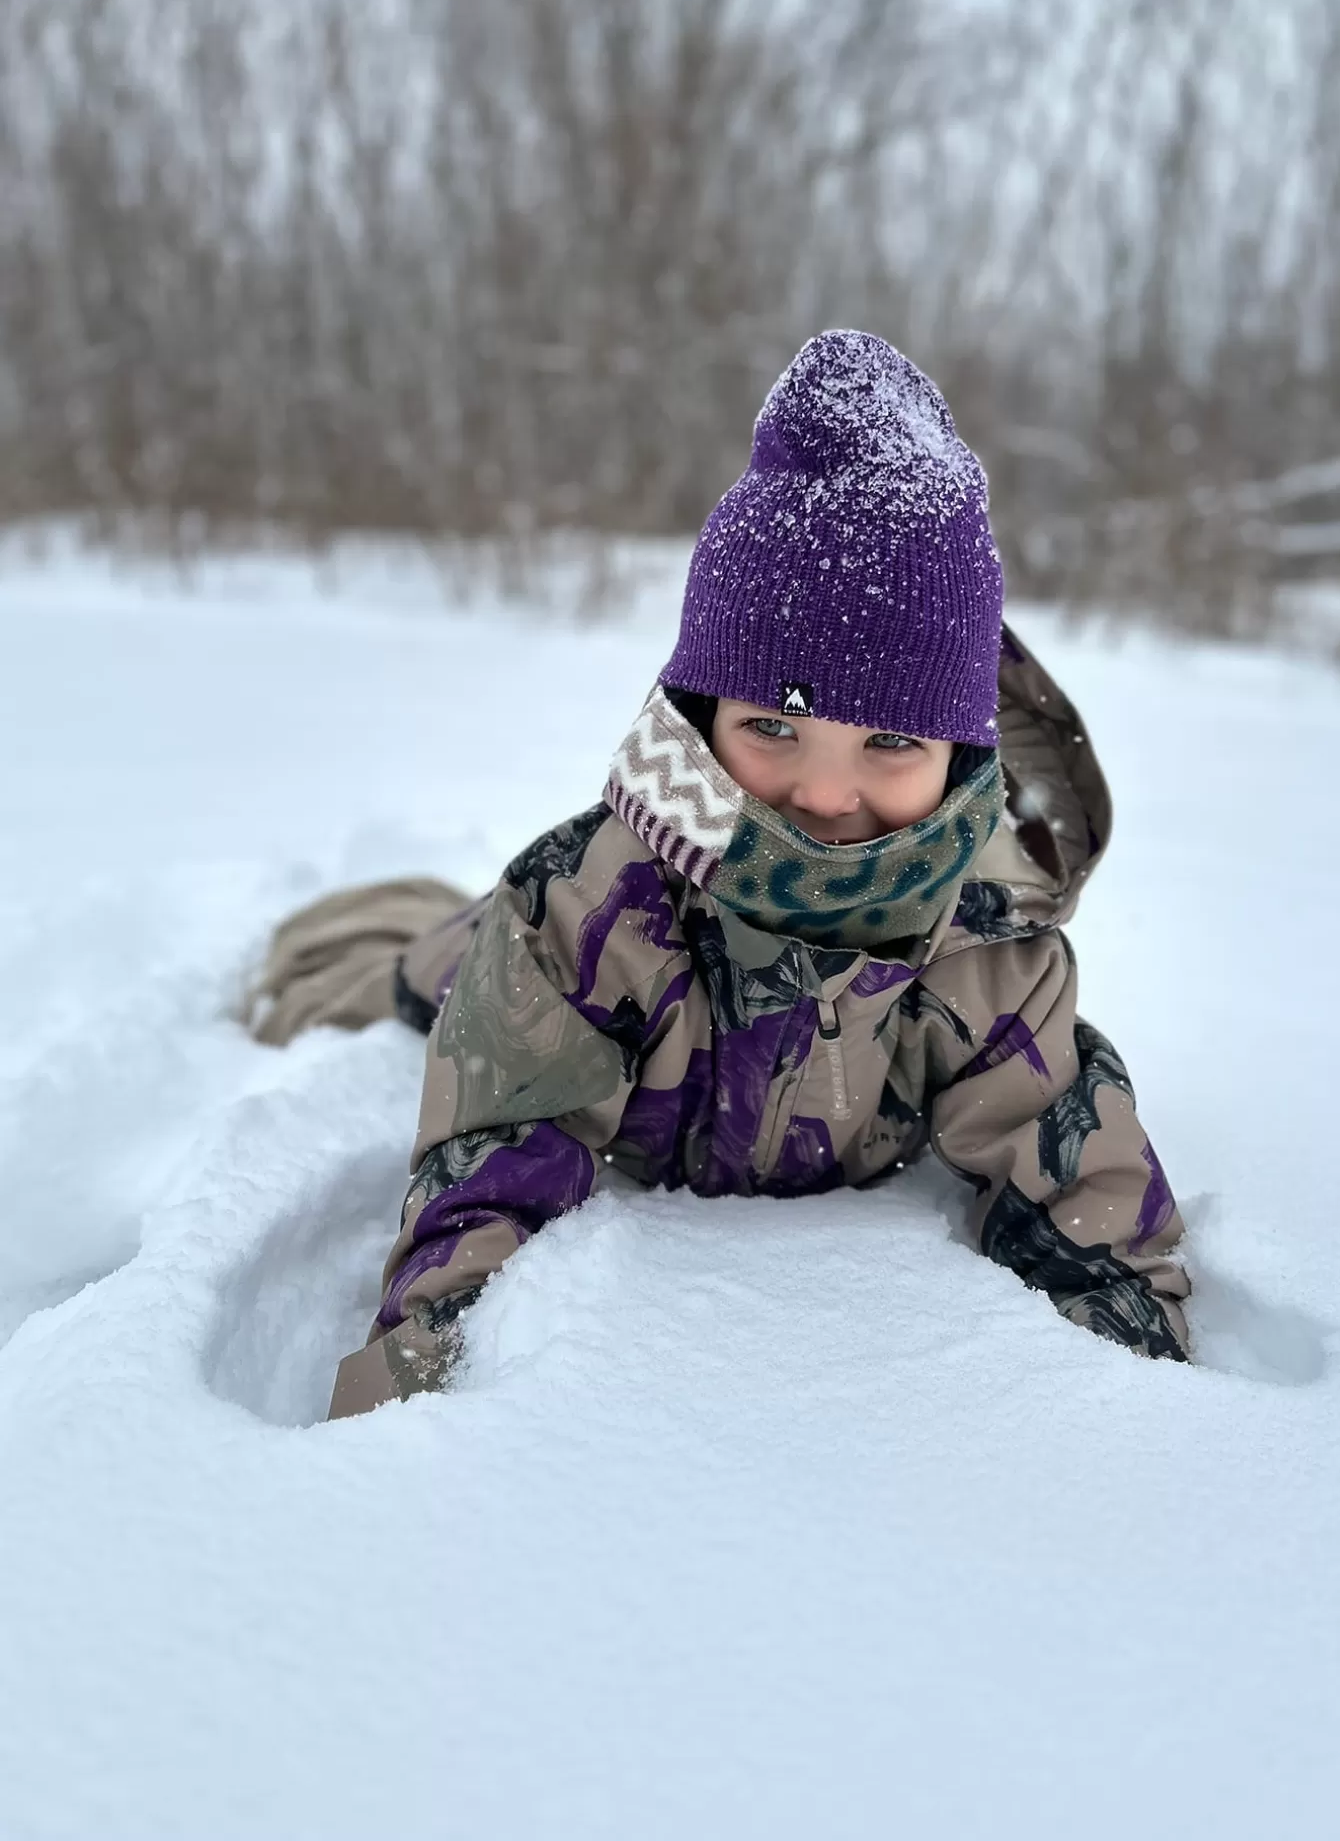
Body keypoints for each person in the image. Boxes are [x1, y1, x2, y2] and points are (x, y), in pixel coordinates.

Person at [248, 331, 1190, 1417]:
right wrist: (418, 1401)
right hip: (554, 968)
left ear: (958, 755)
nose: (827, 798)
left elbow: (1079, 1183)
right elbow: (489, 1169)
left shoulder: (989, 953)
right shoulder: (581, 907)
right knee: (435, 973)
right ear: (702, 718)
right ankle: (369, 932)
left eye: (890, 744)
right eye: (773, 730)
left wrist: (1138, 1418)